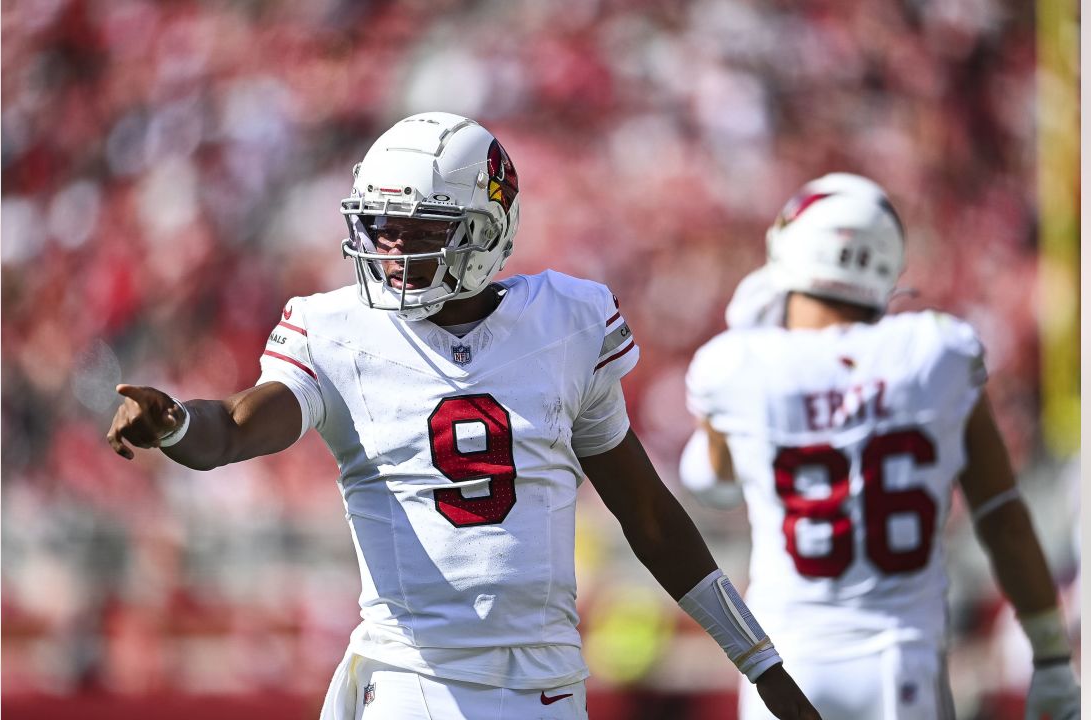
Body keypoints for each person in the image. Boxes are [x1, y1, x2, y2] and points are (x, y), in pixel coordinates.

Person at [107, 112, 819, 720]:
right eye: (377, 225)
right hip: (414, 681)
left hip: (548, 686)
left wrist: (760, 664)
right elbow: (234, 425)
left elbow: (650, 517)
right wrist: (174, 424)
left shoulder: (566, 323)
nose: (387, 248)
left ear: (484, 231)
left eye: (414, 230)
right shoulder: (337, 329)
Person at [680, 173, 1081, 720]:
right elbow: (1001, 517)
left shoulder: (735, 363)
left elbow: (713, 485)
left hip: (786, 664)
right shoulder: (936, 350)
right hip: (901, 662)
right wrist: (1053, 656)